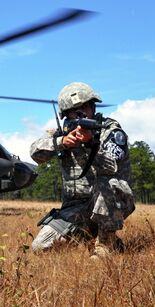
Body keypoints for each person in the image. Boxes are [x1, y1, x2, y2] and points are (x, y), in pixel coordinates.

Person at [30, 82, 135, 258]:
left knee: (107, 182)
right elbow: (35, 153)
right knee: (40, 247)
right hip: (76, 207)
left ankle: (106, 246)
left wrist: (90, 144)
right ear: (65, 114)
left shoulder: (109, 130)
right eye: (74, 110)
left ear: (93, 106)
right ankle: (97, 239)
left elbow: (112, 165)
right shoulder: (61, 132)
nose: (82, 112)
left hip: (112, 200)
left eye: (85, 106)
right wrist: (61, 143)